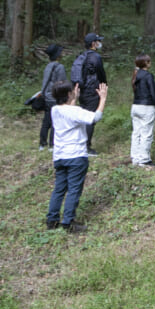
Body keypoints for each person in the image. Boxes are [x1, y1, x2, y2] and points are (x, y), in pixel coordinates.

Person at [45, 80, 108, 233]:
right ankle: (68, 222)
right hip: (76, 156)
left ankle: (52, 220)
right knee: (74, 189)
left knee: (59, 189)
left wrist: (73, 99)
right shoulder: (75, 111)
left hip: (60, 156)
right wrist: (103, 98)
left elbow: (69, 112)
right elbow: (95, 117)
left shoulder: (55, 110)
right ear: (68, 94)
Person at [78, 33, 108, 156]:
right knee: (90, 118)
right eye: (97, 41)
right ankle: (86, 147)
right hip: (92, 90)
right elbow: (101, 74)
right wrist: (104, 86)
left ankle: (82, 144)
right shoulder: (95, 57)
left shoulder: (82, 56)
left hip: (82, 90)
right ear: (93, 43)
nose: (99, 43)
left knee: (84, 117)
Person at [39, 43, 67, 150]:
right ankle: (52, 145)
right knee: (56, 122)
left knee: (46, 121)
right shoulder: (60, 67)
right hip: (56, 98)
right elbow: (61, 83)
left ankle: (42, 143)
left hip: (47, 97)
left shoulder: (48, 66)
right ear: (58, 54)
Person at [130, 54, 155, 166]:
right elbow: (153, 92)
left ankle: (135, 157)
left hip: (135, 106)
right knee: (146, 133)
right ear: (145, 63)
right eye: (149, 61)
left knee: (136, 133)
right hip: (147, 106)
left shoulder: (136, 75)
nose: (150, 62)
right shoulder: (148, 76)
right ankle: (144, 159)